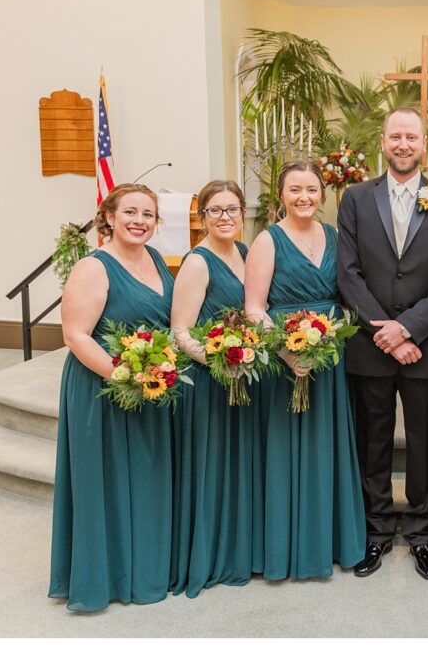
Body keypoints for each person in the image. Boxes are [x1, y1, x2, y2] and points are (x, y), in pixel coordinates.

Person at [337, 107, 428, 580]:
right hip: (370, 348)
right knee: (372, 443)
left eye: (411, 136)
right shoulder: (354, 198)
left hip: (426, 347)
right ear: (383, 141)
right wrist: (384, 333)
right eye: (395, 136)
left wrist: (409, 329)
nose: (403, 144)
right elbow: (347, 274)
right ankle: (375, 532)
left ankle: (419, 534)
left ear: (424, 142)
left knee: (421, 444)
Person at [49, 184, 176, 611]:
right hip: (101, 387)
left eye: (148, 214)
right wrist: (124, 376)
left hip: (148, 383)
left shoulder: (156, 260)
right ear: (109, 216)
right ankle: (106, 576)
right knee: (106, 481)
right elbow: (75, 335)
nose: (139, 221)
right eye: (131, 212)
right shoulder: (94, 266)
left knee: (144, 478)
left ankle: (143, 567)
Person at [244, 161, 366, 580]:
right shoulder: (267, 240)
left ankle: (330, 540)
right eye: (295, 189)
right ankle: (289, 545)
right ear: (281, 195)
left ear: (323, 194)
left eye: (312, 189)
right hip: (286, 360)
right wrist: (285, 349)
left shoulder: (334, 236)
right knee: (289, 449)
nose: (304, 197)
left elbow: (348, 292)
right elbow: (254, 308)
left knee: (327, 445)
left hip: (330, 355)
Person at [169, 180, 259, 597]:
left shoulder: (245, 253)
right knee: (213, 469)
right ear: (202, 217)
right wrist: (221, 359)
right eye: (216, 210)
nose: (226, 218)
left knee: (238, 466)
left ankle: (240, 547)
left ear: (244, 213)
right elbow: (180, 332)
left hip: (242, 380)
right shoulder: (198, 262)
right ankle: (211, 556)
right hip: (209, 382)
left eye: (233, 209)